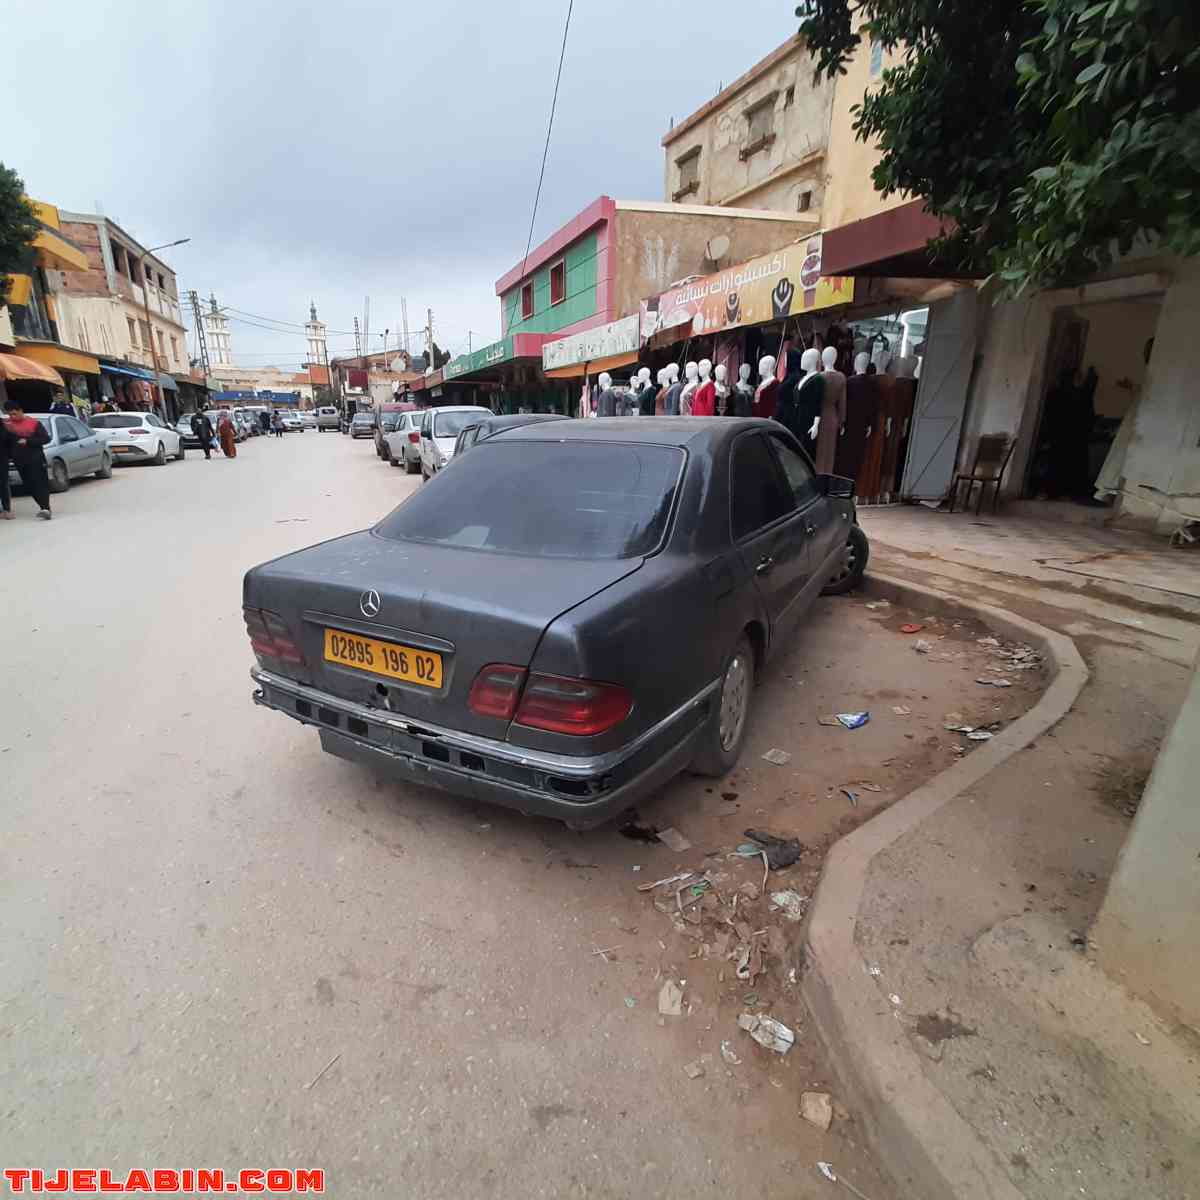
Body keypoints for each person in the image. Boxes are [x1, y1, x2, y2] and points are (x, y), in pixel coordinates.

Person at [2, 400, 52, 519]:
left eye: (14, 413)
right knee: (30, 485)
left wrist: (28, 441)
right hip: (19, 461)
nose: (12, 417)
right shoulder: (8, 426)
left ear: (20, 411)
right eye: (9, 415)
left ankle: (45, 508)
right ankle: (43, 507)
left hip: (36, 459)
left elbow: (45, 439)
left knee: (40, 483)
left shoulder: (34, 423)